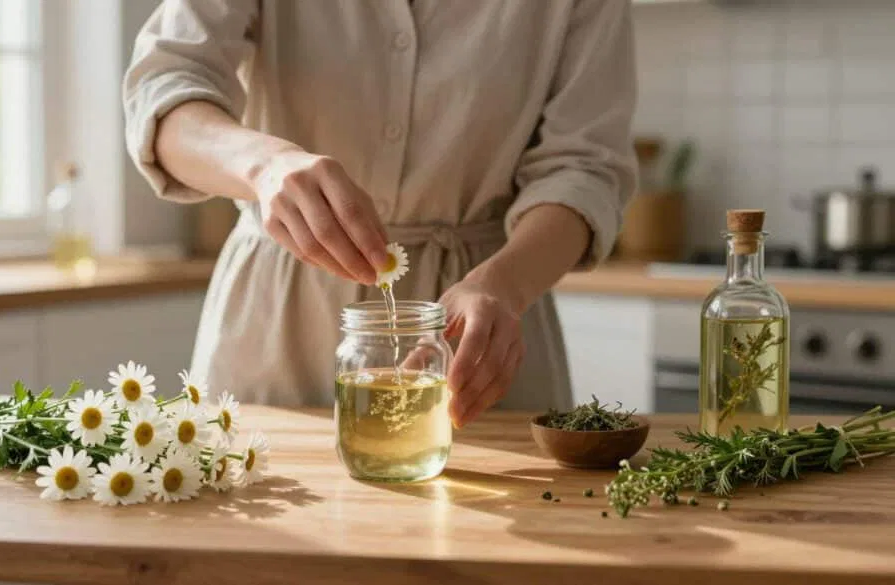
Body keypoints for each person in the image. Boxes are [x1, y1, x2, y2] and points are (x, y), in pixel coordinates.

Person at [123, 0, 637, 428]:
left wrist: (503, 285)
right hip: (273, 327)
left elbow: (586, 169)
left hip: (479, 332)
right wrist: (264, 167)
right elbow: (164, 89)